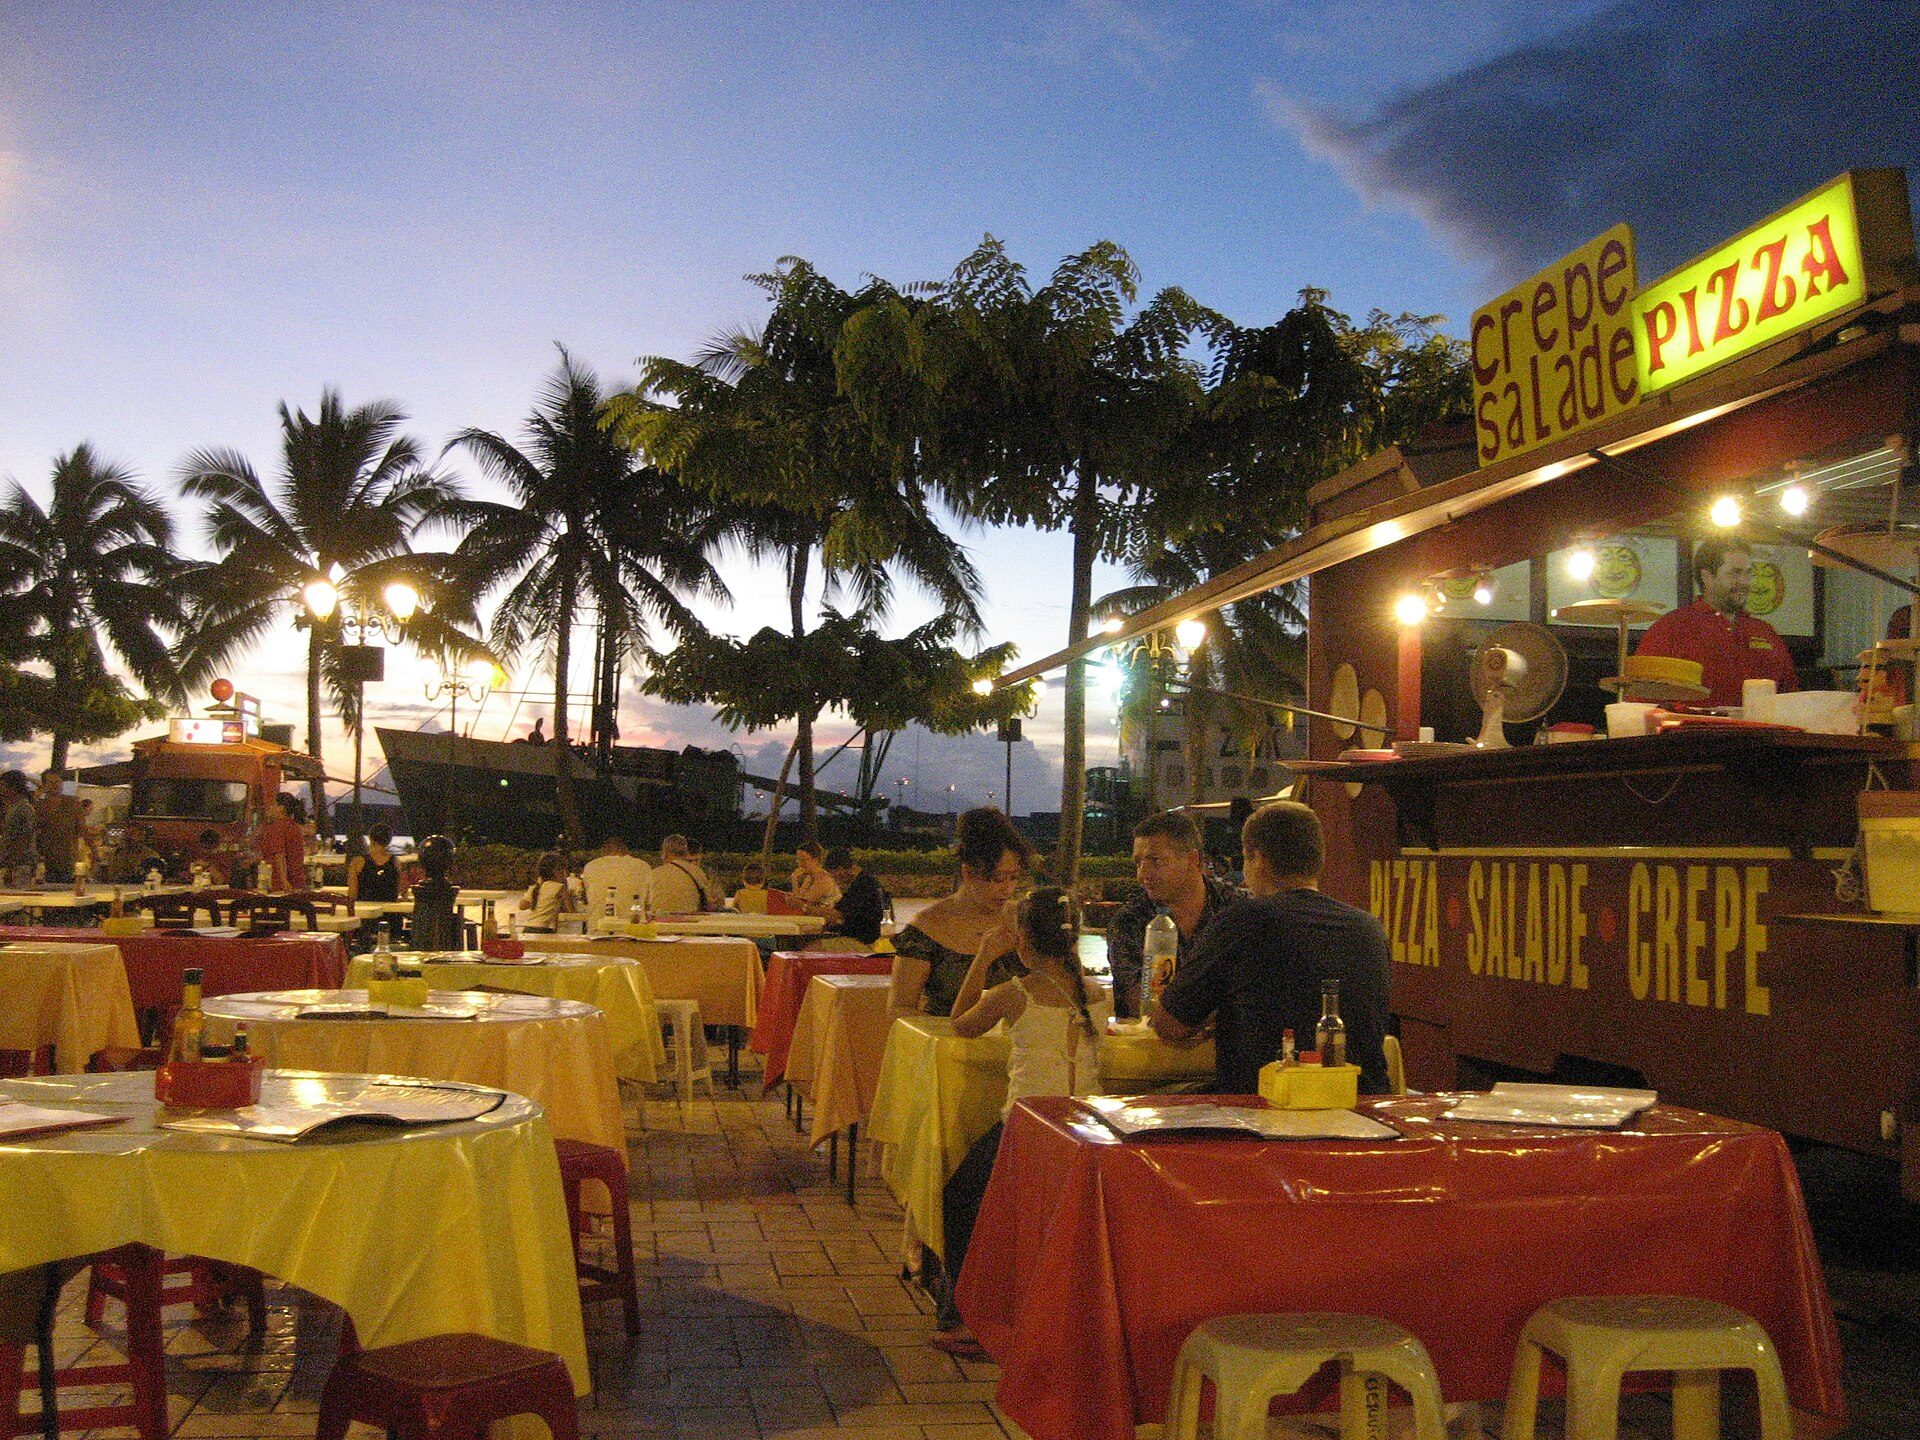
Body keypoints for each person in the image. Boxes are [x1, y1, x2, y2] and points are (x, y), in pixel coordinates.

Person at [930, 887, 1110, 1358]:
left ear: (1024, 939)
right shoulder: (1096, 993)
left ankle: (971, 1318)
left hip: (1030, 1131)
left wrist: (986, 955)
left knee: (960, 1198)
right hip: (1086, 1128)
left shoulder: (1017, 993)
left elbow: (959, 1022)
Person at [1151, 800, 1392, 1095]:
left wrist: (1214, 1016)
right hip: (1363, 1107)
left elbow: (1169, 1024)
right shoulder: (1369, 929)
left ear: (1257, 858)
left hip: (1267, 1110)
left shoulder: (1242, 920)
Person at [890, 806, 1031, 1017]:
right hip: (949, 1042)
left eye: (1014, 878)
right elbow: (899, 1008)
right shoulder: (927, 927)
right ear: (968, 872)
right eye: (997, 879)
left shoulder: (1024, 920)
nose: (1008, 889)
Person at [1106, 811, 1242, 1019]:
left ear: (1192, 859)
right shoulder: (1131, 922)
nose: (1143, 874)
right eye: (1138, 862)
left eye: (1155, 861)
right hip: (1152, 1046)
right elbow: (1140, 1002)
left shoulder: (1235, 910)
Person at [1633, 538, 1799, 707]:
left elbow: (1791, 700)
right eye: (1735, 573)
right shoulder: (1671, 629)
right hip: (1694, 732)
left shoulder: (1765, 632)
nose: (1744, 581)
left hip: (1763, 732)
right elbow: (1640, 702)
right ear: (1707, 576)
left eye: (1748, 573)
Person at [820, 847, 889, 945]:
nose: (836, 880)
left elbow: (835, 913)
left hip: (862, 942)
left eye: (834, 876)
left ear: (840, 870)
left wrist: (803, 907)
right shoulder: (863, 880)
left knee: (811, 946)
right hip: (859, 937)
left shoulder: (863, 884)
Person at [34, 770, 85, 883]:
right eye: (51, 782)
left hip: (68, 859)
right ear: (44, 785)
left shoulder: (73, 803)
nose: (55, 785)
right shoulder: (39, 806)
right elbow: (35, 832)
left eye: (58, 782)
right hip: (46, 860)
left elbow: (82, 829)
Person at [581, 835, 652, 917]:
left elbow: (587, 894)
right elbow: (649, 902)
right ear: (626, 851)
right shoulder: (642, 866)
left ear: (604, 851)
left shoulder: (590, 866)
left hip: (597, 925)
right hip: (633, 925)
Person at [253, 793, 309, 892]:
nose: (270, 808)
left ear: (281, 808)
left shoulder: (277, 827)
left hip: (280, 883)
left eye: (273, 805)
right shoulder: (294, 826)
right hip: (297, 880)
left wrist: (284, 881)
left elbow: (279, 854)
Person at [650, 834, 714, 914]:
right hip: (689, 923)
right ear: (686, 853)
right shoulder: (698, 872)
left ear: (665, 854)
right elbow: (708, 904)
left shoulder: (654, 874)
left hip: (660, 922)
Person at [518, 851, 574, 933]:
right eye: (561, 870)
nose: (564, 873)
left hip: (528, 928)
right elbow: (572, 911)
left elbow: (522, 906)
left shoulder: (536, 887)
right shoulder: (560, 887)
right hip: (544, 930)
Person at [348, 822, 402, 903]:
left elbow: (352, 894)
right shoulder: (396, 862)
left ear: (370, 838)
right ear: (389, 840)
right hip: (390, 912)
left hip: (365, 912)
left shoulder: (357, 862)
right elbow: (399, 890)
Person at [0, 770, 37, 887]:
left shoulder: (23, 809)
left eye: (3, 786)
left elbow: (23, 839)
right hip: (15, 863)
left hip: (21, 864)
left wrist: (11, 867)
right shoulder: (13, 807)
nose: (1, 789)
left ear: (14, 787)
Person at [789, 840, 841, 910]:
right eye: (798, 860)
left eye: (803, 860)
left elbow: (803, 903)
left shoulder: (823, 879)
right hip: (817, 915)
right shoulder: (810, 877)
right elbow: (799, 898)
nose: (800, 864)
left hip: (827, 917)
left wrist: (794, 879)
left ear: (815, 860)